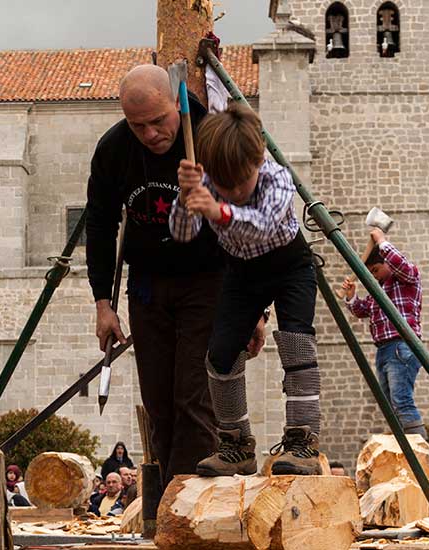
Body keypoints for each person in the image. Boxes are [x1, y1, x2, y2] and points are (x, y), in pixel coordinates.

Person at [86, 65, 266, 485]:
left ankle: (193, 504)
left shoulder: (210, 137)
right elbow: (99, 224)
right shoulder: (114, 149)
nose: (150, 134)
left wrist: (255, 307)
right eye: (138, 125)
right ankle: (172, 500)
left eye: (158, 121)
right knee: (159, 402)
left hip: (212, 281)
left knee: (194, 395)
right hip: (148, 284)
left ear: (177, 103)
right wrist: (102, 303)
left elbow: (248, 222)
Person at [169, 103, 323, 476]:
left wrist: (219, 212)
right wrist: (186, 198)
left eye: (242, 183)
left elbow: (264, 226)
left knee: (297, 344)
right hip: (241, 273)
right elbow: (182, 234)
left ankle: (303, 441)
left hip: (290, 267)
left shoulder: (277, 178)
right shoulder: (206, 183)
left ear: (256, 162)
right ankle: (236, 444)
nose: (235, 192)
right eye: (226, 186)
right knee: (220, 356)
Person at [341, 231, 426, 438]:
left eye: (376, 270)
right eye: (371, 273)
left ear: (388, 263)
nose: (374, 275)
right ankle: (403, 443)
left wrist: (381, 241)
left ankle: (419, 446)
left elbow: (400, 263)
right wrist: (351, 298)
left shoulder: (407, 279)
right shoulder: (377, 291)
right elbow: (362, 310)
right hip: (384, 350)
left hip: (401, 345)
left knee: (401, 400)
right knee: (390, 406)